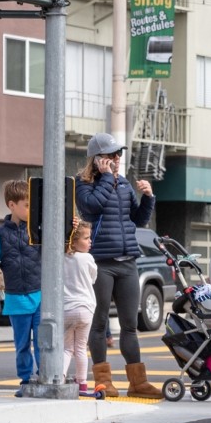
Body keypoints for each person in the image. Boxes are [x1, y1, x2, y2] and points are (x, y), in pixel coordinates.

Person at [75, 132, 161, 399]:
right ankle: (104, 382)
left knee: (129, 325)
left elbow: (137, 220)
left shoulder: (123, 184)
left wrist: (148, 198)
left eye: (119, 154)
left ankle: (138, 383)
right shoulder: (83, 184)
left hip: (127, 262)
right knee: (99, 324)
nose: (117, 159)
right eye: (112, 155)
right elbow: (91, 208)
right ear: (98, 159)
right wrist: (108, 180)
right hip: (101, 262)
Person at [0, 180, 40, 398]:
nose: (29, 209)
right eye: (26, 205)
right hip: (16, 298)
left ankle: (44, 376)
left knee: (43, 341)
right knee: (22, 344)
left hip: (40, 295)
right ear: (11, 205)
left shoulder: (38, 229)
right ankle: (26, 380)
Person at [62, 220, 98, 395]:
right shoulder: (88, 258)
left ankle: (60, 378)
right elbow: (93, 278)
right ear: (73, 241)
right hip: (85, 308)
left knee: (66, 348)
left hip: (66, 308)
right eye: (86, 238)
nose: (90, 241)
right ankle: (82, 383)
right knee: (81, 348)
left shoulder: (61, 258)